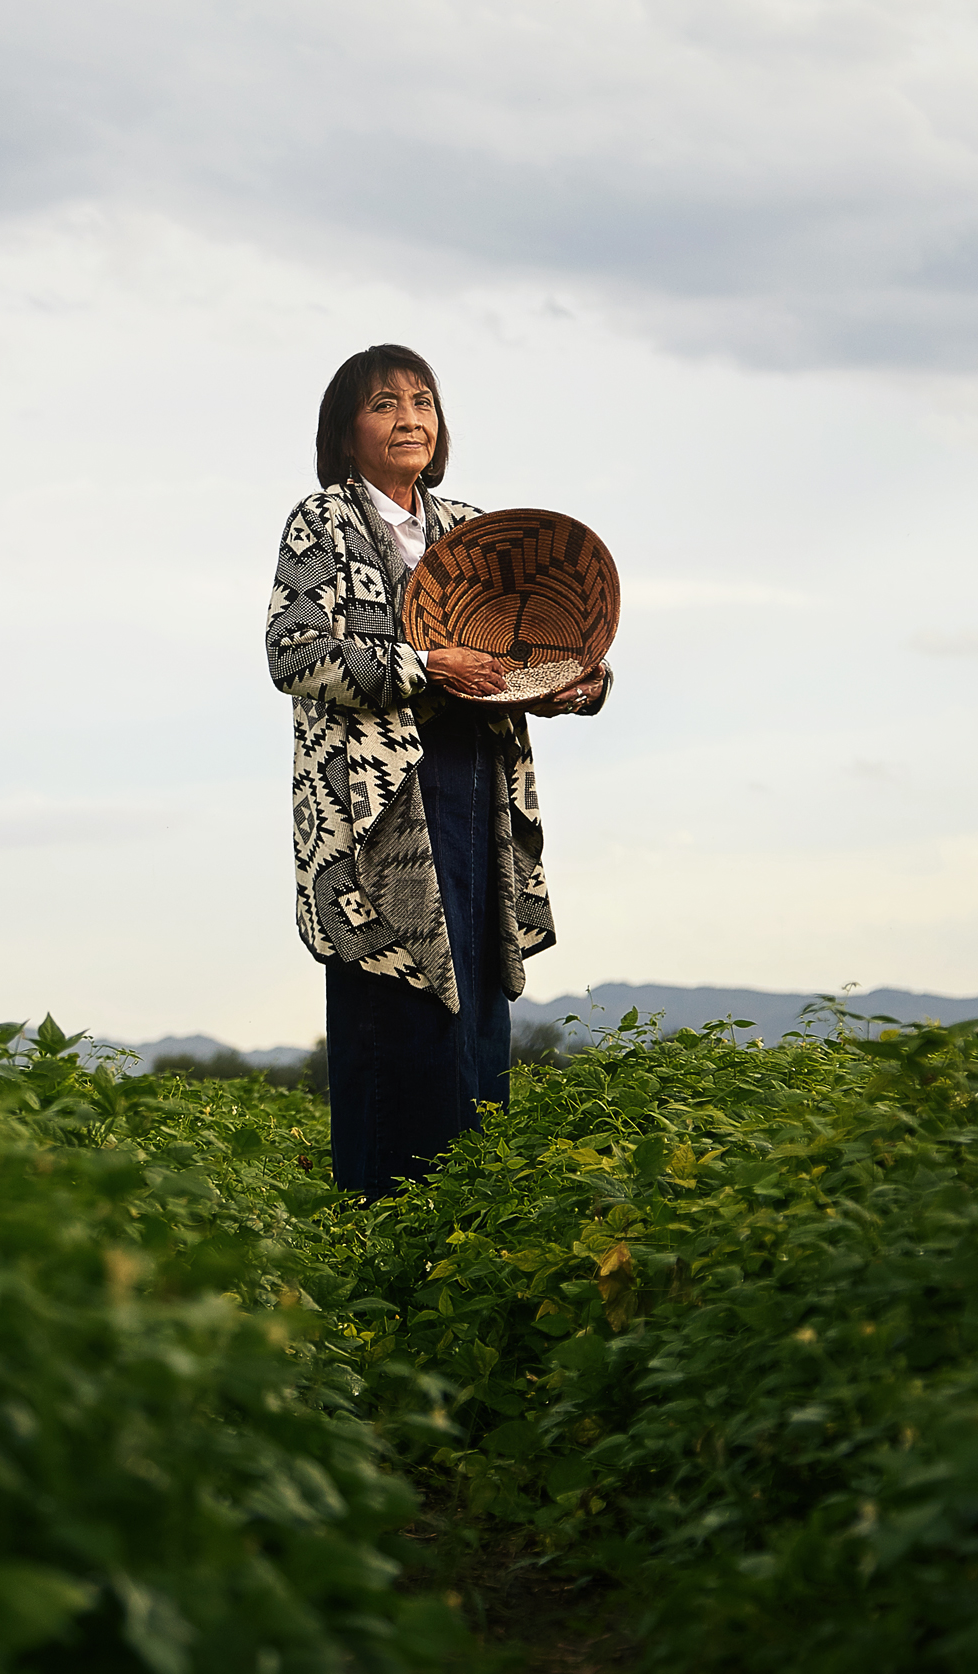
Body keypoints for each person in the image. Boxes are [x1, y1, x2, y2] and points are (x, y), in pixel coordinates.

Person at [265, 344, 608, 1198]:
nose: (410, 417)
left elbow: (516, 658)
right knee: (400, 1011)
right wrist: (426, 665)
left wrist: (575, 683)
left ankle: (471, 1237)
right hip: (375, 814)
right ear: (347, 433)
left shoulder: (471, 526)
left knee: (477, 1016)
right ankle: (385, 1246)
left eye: (423, 400)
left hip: (476, 793)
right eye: (385, 404)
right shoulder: (323, 522)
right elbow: (294, 653)